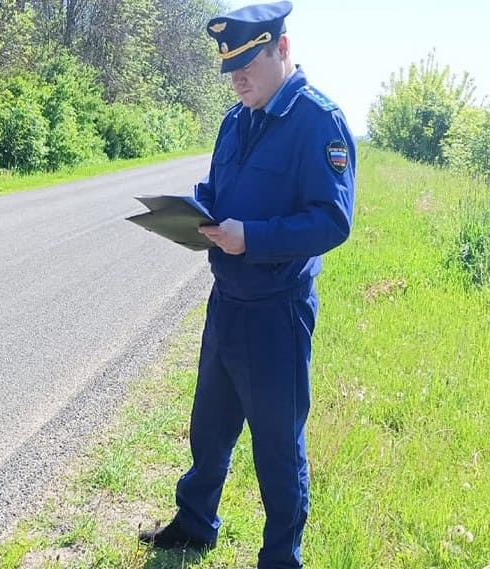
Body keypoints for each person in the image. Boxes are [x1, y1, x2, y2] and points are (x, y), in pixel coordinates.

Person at [137, 2, 356, 568]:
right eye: (229, 68)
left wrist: (251, 238)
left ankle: (281, 558)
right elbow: (220, 187)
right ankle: (194, 525)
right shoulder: (235, 119)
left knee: (278, 449)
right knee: (208, 429)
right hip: (227, 302)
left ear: (281, 49)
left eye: (248, 63)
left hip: (276, 312)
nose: (238, 77)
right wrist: (194, 210)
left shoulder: (318, 122)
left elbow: (333, 221)